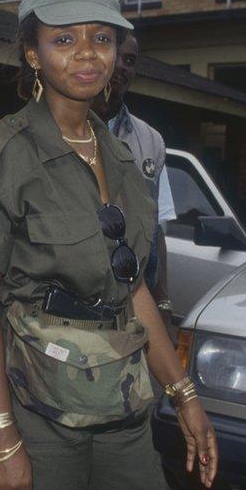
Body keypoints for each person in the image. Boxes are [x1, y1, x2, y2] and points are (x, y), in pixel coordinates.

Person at [0, 0, 218, 490]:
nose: (87, 53)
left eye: (102, 38)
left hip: (119, 398)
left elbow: (132, 288)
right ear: (33, 53)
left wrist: (184, 394)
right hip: (32, 403)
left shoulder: (122, 157)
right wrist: (0, 436)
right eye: (64, 38)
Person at [98, 32, 177, 329]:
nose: (121, 67)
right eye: (115, 56)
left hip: (135, 300)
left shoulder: (151, 141)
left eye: (129, 61)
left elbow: (156, 229)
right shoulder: (68, 130)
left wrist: (163, 302)